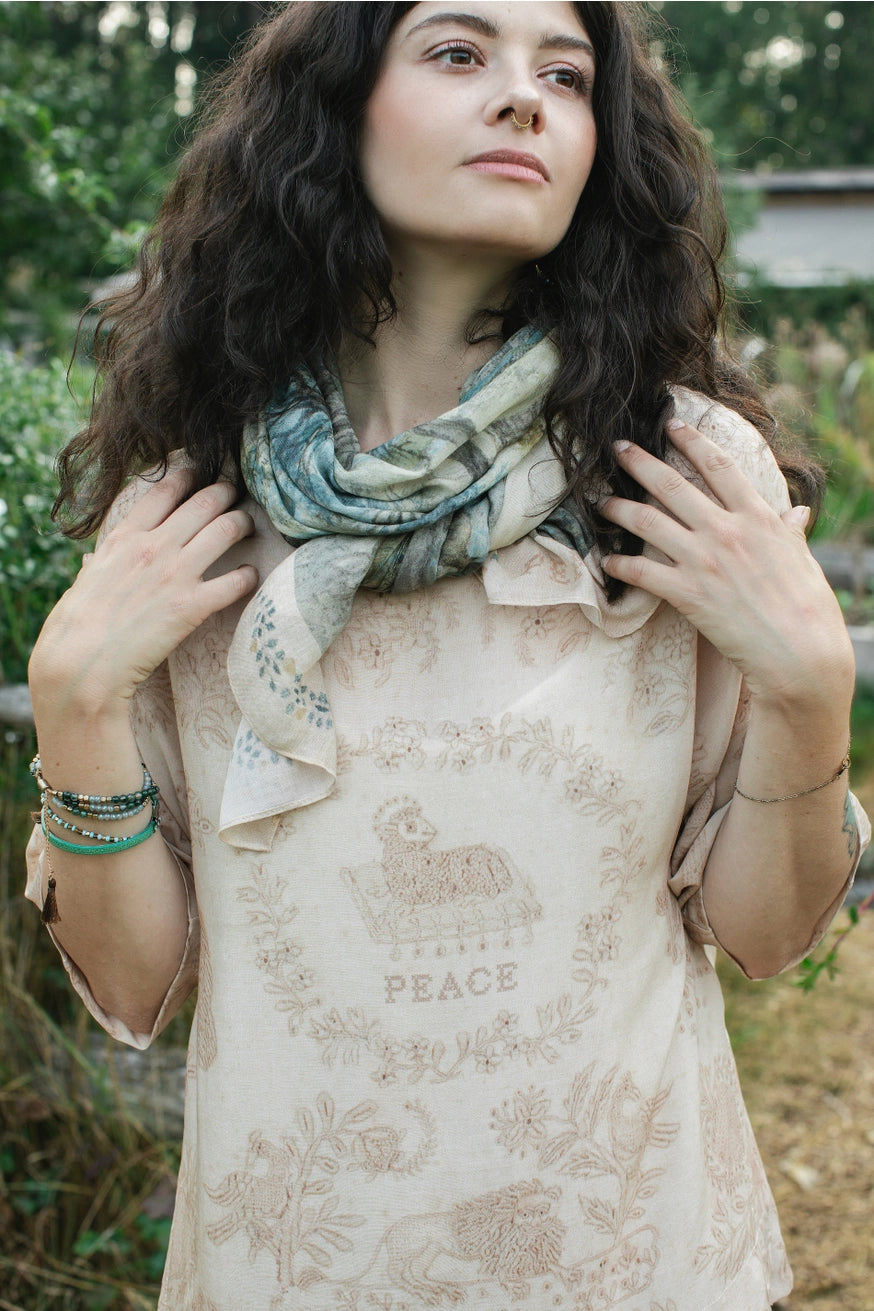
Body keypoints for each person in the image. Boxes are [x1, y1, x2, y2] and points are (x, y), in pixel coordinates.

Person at [25, 3, 869, 1308]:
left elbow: (762, 935)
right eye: (460, 53)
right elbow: (141, 982)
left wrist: (811, 689)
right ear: (336, 105)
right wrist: (78, 705)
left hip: (631, 1263)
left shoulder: (676, 478)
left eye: (567, 74)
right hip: (291, 1270)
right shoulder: (191, 504)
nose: (526, 98)